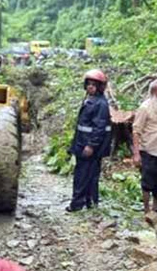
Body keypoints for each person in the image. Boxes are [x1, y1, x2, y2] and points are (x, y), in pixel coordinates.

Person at [66, 69, 111, 212]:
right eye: (89, 84)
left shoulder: (100, 104)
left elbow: (99, 127)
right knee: (89, 174)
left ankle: (77, 204)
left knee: (83, 175)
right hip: (82, 143)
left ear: (100, 87)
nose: (90, 87)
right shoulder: (90, 100)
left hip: (89, 146)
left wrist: (91, 146)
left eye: (94, 84)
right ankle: (90, 202)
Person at [132, 79, 157, 215]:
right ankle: (146, 208)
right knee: (147, 181)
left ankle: (156, 205)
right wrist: (136, 153)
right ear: (154, 92)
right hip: (149, 149)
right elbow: (136, 130)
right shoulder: (145, 108)